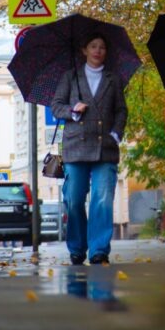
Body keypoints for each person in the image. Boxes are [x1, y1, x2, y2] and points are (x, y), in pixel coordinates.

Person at [51, 31, 128, 265]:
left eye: (102, 47)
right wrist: (72, 111)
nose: (97, 51)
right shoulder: (70, 77)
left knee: (102, 199)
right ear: (84, 50)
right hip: (76, 146)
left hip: (105, 147)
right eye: (93, 46)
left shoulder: (113, 79)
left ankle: (98, 249)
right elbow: (56, 106)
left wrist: (116, 132)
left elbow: (121, 110)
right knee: (73, 199)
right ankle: (77, 247)